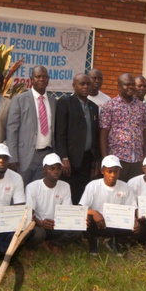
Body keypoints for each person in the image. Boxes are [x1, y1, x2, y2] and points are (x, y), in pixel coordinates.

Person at [55, 73, 100, 204]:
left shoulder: (94, 107)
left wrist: (96, 160)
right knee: (68, 192)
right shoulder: (65, 103)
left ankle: (79, 220)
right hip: (70, 159)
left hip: (86, 159)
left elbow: (95, 134)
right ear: (74, 86)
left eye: (88, 84)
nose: (85, 86)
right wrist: (64, 157)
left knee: (82, 193)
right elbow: (60, 132)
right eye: (82, 84)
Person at [7, 65, 57, 184]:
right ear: (31, 79)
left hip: (47, 155)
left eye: (44, 77)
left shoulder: (53, 101)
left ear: (48, 79)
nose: (41, 79)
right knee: (20, 193)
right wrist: (13, 157)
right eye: (38, 76)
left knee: (40, 193)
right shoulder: (19, 100)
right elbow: (12, 129)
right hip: (25, 156)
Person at [79, 155, 138, 256]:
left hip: (116, 223)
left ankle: (114, 243)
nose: (113, 175)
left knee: (135, 226)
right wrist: (94, 212)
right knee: (85, 219)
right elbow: (81, 207)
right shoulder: (93, 186)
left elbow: (132, 209)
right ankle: (93, 243)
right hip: (97, 223)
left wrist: (135, 220)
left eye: (116, 171)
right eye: (109, 171)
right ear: (102, 171)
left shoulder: (126, 187)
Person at [25, 153, 82, 254]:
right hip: (38, 225)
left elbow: (67, 211)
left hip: (57, 225)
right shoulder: (32, 187)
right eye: (52, 168)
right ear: (44, 169)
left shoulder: (65, 186)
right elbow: (29, 214)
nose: (56, 171)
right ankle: (31, 247)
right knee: (37, 234)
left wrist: (75, 220)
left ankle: (54, 243)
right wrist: (40, 223)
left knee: (77, 230)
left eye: (58, 168)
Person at [99, 73, 146, 182]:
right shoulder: (109, 106)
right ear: (119, 87)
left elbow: (144, 132)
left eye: (132, 84)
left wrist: (145, 156)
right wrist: (105, 159)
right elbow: (103, 133)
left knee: (134, 193)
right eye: (127, 84)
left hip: (138, 159)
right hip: (117, 159)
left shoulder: (141, 106)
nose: (131, 87)